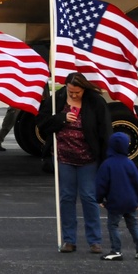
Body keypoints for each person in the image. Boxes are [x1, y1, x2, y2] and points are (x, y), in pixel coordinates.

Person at [36, 72, 112, 254]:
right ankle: (69, 240)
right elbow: (42, 123)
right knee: (66, 198)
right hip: (64, 158)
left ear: (84, 88)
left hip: (88, 159)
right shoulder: (59, 98)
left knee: (89, 197)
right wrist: (61, 119)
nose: (74, 95)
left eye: (77, 92)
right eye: (71, 91)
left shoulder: (95, 102)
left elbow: (105, 131)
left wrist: (106, 159)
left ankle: (95, 241)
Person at [96, 132, 138, 261]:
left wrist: (100, 199)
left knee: (113, 225)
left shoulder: (107, 164)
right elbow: (137, 183)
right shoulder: (130, 163)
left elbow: (101, 184)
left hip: (115, 201)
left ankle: (116, 250)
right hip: (130, 201)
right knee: (133, 225)